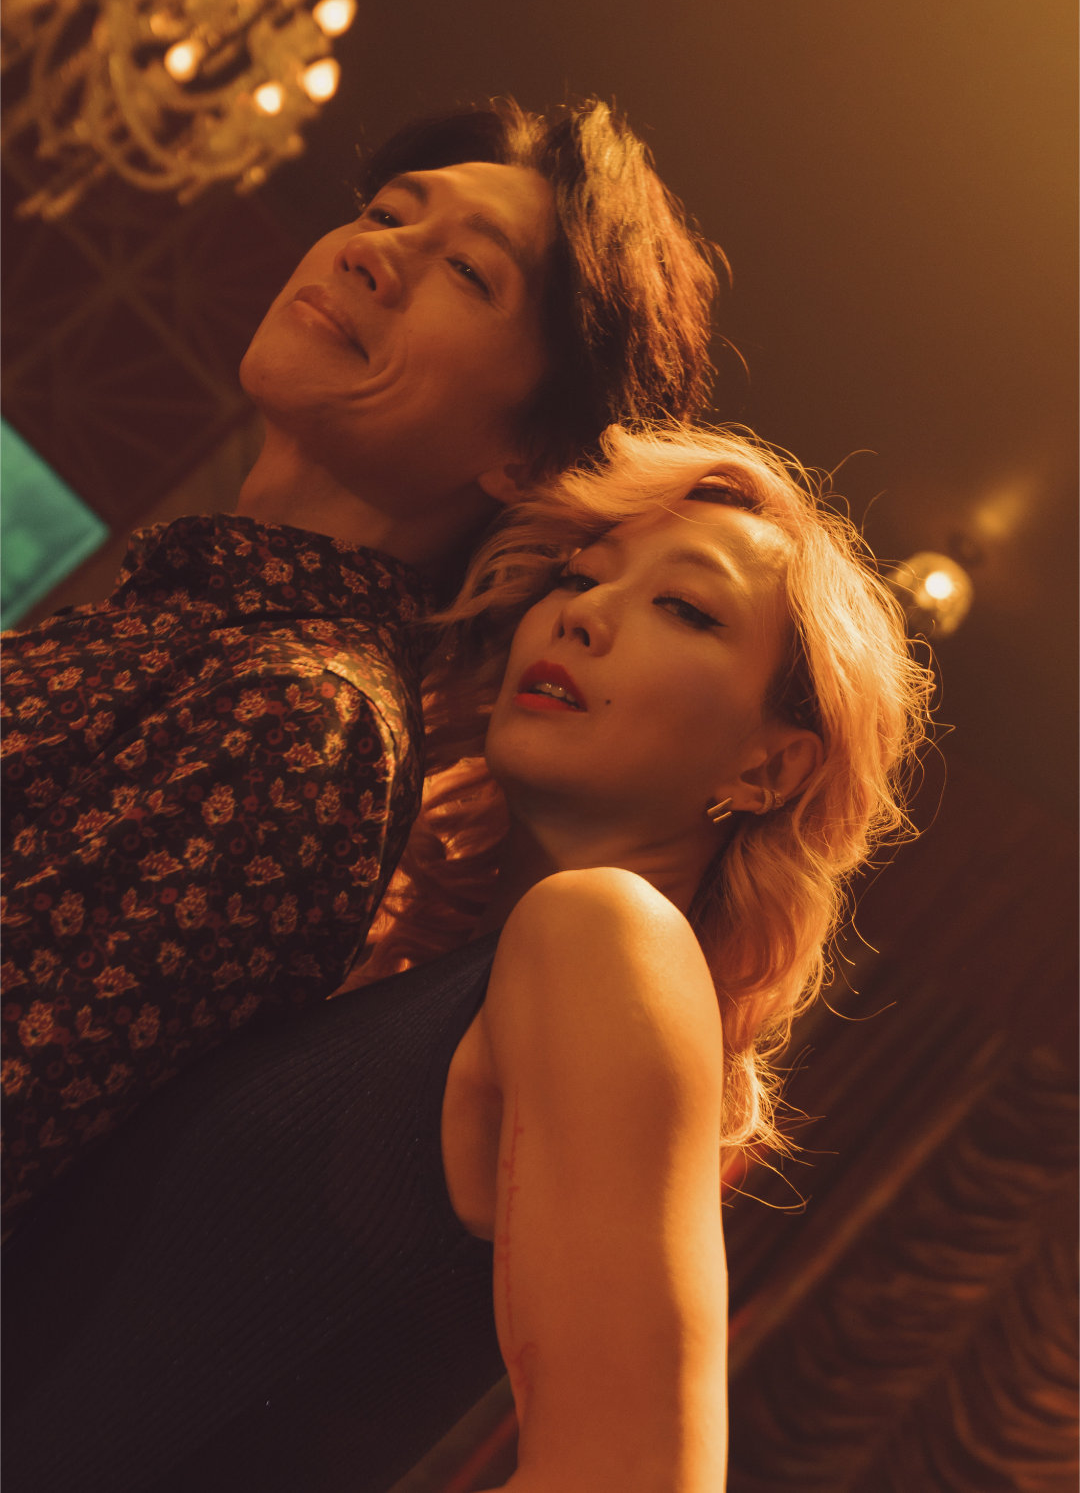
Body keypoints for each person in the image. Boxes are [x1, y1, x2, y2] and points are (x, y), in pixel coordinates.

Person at [1, 424, 932, 1492]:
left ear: (770, 768)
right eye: (579, 573)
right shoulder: (467, 977)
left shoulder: (608, 932)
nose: (583, 612)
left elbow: (632, 1474)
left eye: (685, 606)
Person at [0, 97, 724, 1231]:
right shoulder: (209, 622)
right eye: (387, 213)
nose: (373, 252)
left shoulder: (306, 721)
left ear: (528, 453)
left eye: (470, 272)